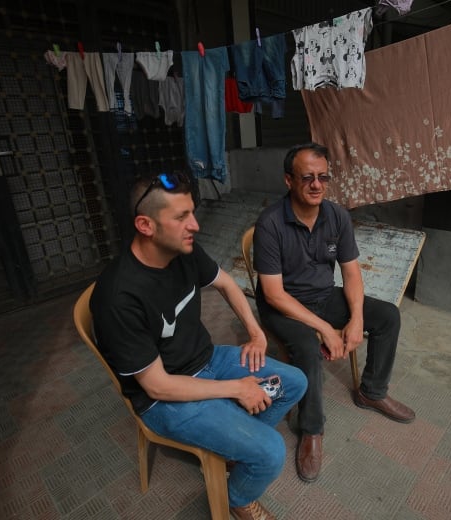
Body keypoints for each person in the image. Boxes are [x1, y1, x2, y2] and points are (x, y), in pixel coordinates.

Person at [90, 172, 307, 520]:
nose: (195, 225)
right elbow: (158, 385)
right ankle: (235, 498)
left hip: (208, 360)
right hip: (165, 399)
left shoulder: (183, 249)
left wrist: (256, 332)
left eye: (193, 212)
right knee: (271, 452)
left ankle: (236, 448)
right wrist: (238, 387)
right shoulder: (118, 297)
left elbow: (227, 284)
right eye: (181, 217)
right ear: (145, 225)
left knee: (295, 382)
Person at [253, 143, 415, 483]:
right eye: (307, 177)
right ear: (288, 180)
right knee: (308, 348)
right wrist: (326, 329)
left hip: (324, 296)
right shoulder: (270, 223)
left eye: (323, 177)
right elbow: (273, 294)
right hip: (284, 306)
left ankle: (371, 391)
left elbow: (352, 273)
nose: (316, 185)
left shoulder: (337, 215)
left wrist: (355, 318)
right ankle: (311, 430)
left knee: (387, 316)